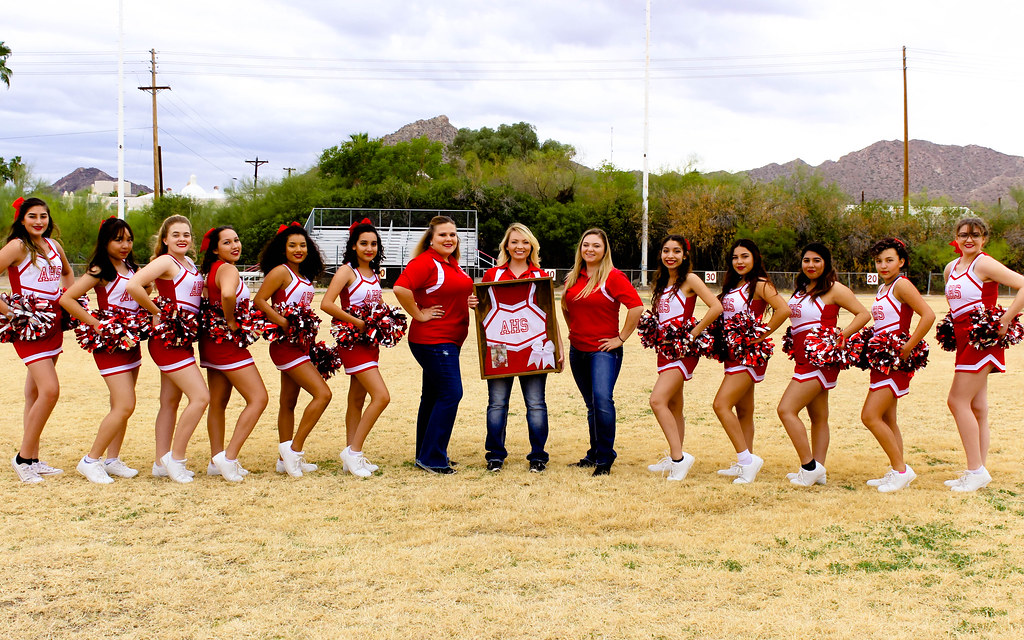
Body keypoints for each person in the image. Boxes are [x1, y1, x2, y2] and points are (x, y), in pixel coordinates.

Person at [59, 217, 146, 483]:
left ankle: (112, 459)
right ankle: (90, 460)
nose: (125, 245)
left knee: (122, 405)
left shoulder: (131, 267)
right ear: (105, 241)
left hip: (130, 342)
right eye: (118, 239)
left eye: (128, 239)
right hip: (110, 344)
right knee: (124, 404)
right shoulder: (100, 269)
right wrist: (95, 323)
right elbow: (67, 298)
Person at [777, 243, 870, 487]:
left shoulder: (835, 289)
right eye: (806, 260)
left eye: (817, 260)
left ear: (826, 263)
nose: (811, 265)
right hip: (803, 359)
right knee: (818, 417)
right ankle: (819, 469)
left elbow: (863, 314)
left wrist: (841, 336)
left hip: (819, 361)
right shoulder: (802, 288)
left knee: (786, 410)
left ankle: (809, 466)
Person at [126, 215, 210, 484]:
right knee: (200, 397)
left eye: (186, 234)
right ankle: (177, 458)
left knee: (169, 402)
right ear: (165, 239)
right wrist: (157, 311)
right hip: (167, 340)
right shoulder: (165, 261)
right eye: (175, 235)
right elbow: (133, 285)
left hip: (182, 339)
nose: (182, 239)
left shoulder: (190, 263)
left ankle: (161, 461)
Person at [943, 217, 1024, 492]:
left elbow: (1023, 284)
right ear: (955, 236)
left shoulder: (984, 263)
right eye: (964, 234)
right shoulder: (950, 268)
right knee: (977, 407)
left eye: (975, 235)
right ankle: (976, 469)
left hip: (982, 341)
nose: (969, 239)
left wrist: (1005, 320)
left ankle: (976, 470)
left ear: (984, 239)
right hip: (965, 340)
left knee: (956, 401)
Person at [393, 215, 476, 474]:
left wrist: (469, 301)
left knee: (432, 396)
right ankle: (432, 458)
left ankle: (425, 454)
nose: (449, 238)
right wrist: (419, 314)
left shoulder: (451, 264)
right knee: (451, 393)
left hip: (450, 339)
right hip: (434, 340)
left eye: (453, 234)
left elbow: (454, 292)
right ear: (431, 238)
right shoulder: (425, 262)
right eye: (443, 234)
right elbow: (400, 289)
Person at [1, 197, 74, 483]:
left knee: (34, 394)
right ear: (21, 219)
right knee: (50, 390)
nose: (39, 221)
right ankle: (22, 458)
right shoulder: (18, 246)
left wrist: (69, 299)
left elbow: (67, 273)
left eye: (43, 216)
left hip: (52, 322)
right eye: (32, 216)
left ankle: (32, 458)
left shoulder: (54, 246)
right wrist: (10, 312)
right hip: (28, 327)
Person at [562, 228, 643, 476]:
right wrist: (573, 331)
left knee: (602, 401)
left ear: (605, 249)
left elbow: (636, 307)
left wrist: (620, 338)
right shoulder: (573, 277)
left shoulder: (614, 277)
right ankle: (594, 453)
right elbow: (566, 306)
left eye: (596, 245)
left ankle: (605, 459)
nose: (590, 249)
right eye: (586, 245)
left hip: (603, 352)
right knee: (591, 405)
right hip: (578, 349)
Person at [254, 223, 332, 478]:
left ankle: (282, 459)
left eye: (302, 245)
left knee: (288, 402)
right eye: (292, 245)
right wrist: (283, 321)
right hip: (286, 346)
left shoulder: (303, 275)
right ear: (282, 248)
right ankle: (294, 450)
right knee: (323, 394)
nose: (298, 249)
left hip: (301, 344)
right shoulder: (281, 271)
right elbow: (260, 300)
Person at [859, 237, 935, 493]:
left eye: (889, 260)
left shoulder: (902, 285)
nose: (883, 265)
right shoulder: (883, 288)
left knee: (870, 416)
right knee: (888, 418)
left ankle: (902, 470)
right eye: (879, 261)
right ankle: (896, 469)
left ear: (901, 262)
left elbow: (929, 315)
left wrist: (908, 346)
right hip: (881, 360)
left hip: (896, 361)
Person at [480, 223, 555, 473]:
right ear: (506, 245)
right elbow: (486, 310)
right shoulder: (493, 275)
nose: (519, 246)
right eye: (514, 242)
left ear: (532, 245)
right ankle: (495, 455)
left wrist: (558, 349)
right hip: (500, 346)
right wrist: (475, 303)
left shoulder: (540, 276)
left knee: (535, 403)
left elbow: (549, 318)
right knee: (497, 402)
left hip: (533, 346)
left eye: (524, 242)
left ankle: (538, 456)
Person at [713, 238, 790, 484]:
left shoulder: (760, 284)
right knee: (743, 411)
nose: (739, 261)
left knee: (721, 405)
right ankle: (744, 463)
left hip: (748, 355)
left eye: (744, 256)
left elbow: (784, 310)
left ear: (755, 258)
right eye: (735, 257)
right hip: (733, 353)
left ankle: (747, 460)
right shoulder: (735, 283)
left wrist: (759, 335)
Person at [646, 235, 722, 481]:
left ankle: (680, 459)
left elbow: (715, 307)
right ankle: (673, 455)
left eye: (676, 251)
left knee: (657, 401)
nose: (670, 255)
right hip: (664, 349)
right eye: (666, 250)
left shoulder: (690, 279)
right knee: (673, 405)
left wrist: (693, 333)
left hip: (683, 351)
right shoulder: (660, 281)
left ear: (685, 255)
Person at [198, 226, 269, 482]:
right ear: (216, 249)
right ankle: (228, 458)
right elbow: (228, 294)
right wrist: (230, 320)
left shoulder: (213, 269)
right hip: (226, 343)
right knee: (259, 398)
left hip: (211, 343)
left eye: (236, 240)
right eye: (227, 242)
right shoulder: (227, 268)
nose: (235, 245)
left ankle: (215, 460)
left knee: (219, 402)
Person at [321, 219, 390, 477]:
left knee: (357, 399)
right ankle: (354, 452)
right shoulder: (346, 271)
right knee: (381, 396)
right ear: (353, 246)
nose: (369, 248)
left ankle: (351, 452)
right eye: (363, 243)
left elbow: (375, 305)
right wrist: (357, 322)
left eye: (373, 243)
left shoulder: (374, 274)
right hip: (352, 342)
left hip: (369, 341)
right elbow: (327, 303)